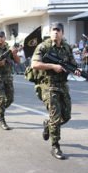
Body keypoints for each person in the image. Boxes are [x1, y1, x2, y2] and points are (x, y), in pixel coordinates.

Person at [31, 22, 81, 160]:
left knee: (66, 116)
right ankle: (55, 146)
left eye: (58, 30)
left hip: (63, 85)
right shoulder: (43, 46)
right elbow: (34, 64)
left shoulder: (66, 47)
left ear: (62, 33)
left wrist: (76, 70)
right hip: (48, 85)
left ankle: (48, 125)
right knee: (55, 116)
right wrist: (53, 66)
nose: (55, 32)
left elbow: (72, 64)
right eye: (53, 30)